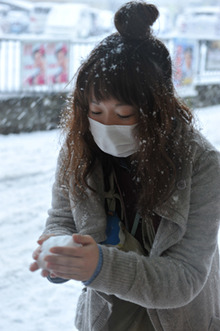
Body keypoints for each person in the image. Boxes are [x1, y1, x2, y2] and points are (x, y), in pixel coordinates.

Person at [30, 1, 220, 330]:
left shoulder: (202, 164)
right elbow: (62, 220)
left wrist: (99, 265)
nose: (106, 125)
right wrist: (58, 252)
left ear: (156, 109)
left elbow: (185, 279)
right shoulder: (79, 150)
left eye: (124, 115)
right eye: (95, 111)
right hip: (106, 318)